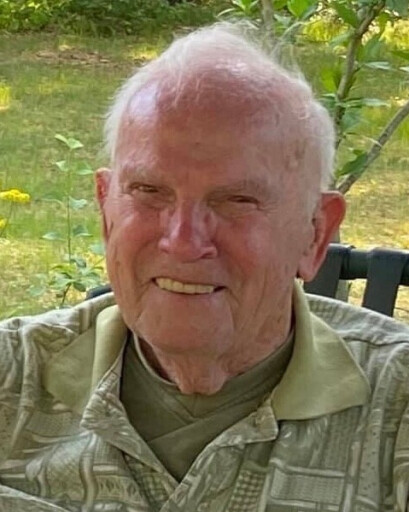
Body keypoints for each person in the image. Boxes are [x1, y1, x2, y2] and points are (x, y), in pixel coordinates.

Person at [0, 23, 409, 512]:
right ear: (107, 210)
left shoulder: (397, 411)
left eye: (237, 200)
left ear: (315, 233)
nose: (183, 241)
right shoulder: (10, 379)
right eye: (149, 192)